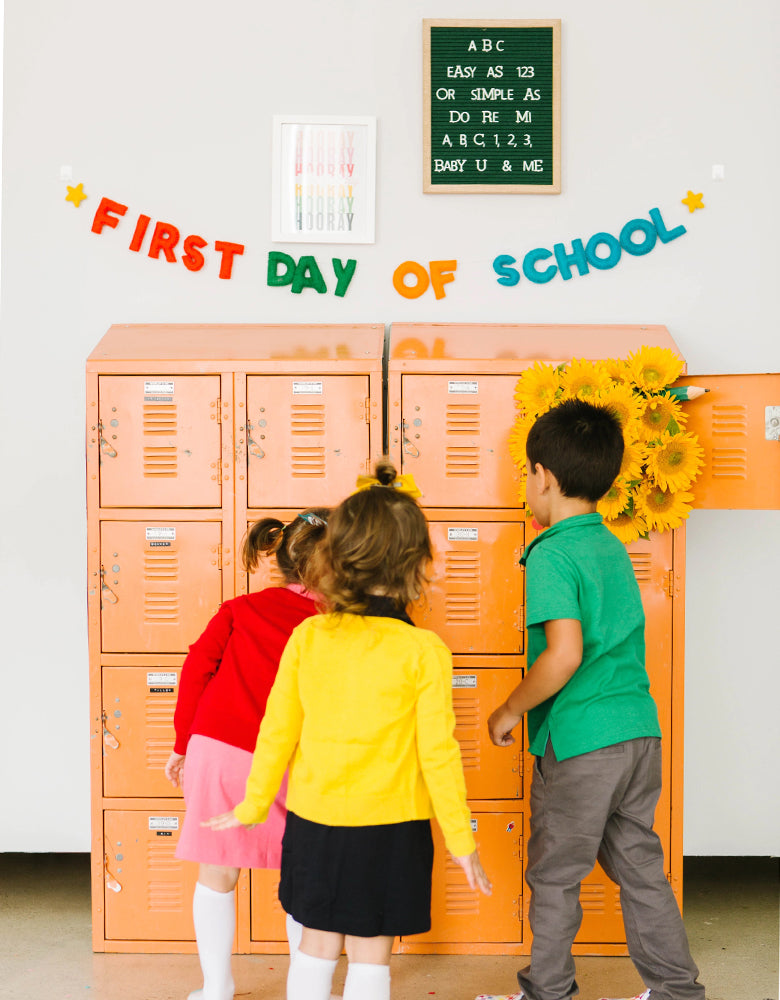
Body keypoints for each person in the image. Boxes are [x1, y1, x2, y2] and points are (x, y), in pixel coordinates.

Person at [204, 460, 492, 1000]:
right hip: (392, 829)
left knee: (315, 945)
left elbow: (277, 732)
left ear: (332, 560)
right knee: (370, 955)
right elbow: (438, 755)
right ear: (417, 565)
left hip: (315, 823)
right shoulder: (423, 651)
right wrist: (461, 839)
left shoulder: (309, 637)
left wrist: (252, 805)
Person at [486, 398, 705, 1000]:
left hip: (583, 741)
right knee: (640, 869)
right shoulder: (609, 545)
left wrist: (510, 709)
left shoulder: (553, 552)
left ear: (545, 477)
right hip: (638, 732)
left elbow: (564, 655)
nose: (527, 483)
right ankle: (678, 992)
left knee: (554, 875)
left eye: (528, 472)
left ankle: (547, 991)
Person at [165, 508, 329, 1000]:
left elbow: (195, 672)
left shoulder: (239, 609)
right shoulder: (338, 622)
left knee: (216, 873)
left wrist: (181, 746)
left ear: (279, 559)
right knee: (305, 880)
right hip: (296, 760)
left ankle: (215, 987)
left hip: (219, 750)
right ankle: (307, 991)